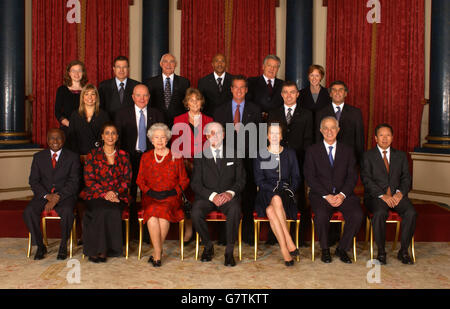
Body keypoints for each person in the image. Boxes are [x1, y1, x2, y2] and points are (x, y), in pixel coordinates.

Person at [304, 116, 363, 264]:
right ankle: (325, 250)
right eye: (326, 128)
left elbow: (352, 176)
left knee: (357, 215)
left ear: (338, 130)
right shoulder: (312, 151)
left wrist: (342, 195)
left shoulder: (348, 151)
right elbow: (310, 177)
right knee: (321, 215)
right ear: (321, 130)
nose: (329, 131)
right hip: (321, 195)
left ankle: (342, 248)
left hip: (344, 194)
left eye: (332, 128)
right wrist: (326, 195)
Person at [214, 75, 262, 246]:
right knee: (226, 194)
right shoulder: (220, 110)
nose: (239, 90)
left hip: (248, 159)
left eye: (243, 87)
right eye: (236, 87)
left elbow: (260, 137)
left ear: (247, 90)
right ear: (231, 89)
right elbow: (216, 138)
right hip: (226, 159)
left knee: (249, 197)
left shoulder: (255, 110)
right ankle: (225, 237)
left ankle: (248, 235)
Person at [191, 122, 246, 267]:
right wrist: (212, 196)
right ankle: (208, 246)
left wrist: (230, 193)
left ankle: (229, 252)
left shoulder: (235, 153)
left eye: (218, 133)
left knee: (235, 210)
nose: (214, 136)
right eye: (211, 133)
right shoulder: (200, 156)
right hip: (207, 197)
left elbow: (242, 180)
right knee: (195, 212)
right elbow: (195, 184)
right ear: (207, 136)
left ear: (224, 135)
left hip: (228, 197)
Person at [361, 123, 417, 265]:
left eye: (388, 135)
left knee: (411, 213)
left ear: (392, 138)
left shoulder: (401, 156)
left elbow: (406, 178)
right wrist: (383, 195)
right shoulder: (367, 156)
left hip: (397, 196)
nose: (384, 139)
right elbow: (366, 180)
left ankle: (403, 251)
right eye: (381, 135)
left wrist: (399, 194)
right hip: (376, 197)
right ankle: (381, 252)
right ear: (375, 138)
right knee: (380, 213)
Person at [136, 123, 190, 267]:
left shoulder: (176, 156)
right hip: (151, 196)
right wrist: (150, 192)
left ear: (167, 140)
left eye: (163, 137)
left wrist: (173, 192)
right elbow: (140, 180)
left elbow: (184, 180)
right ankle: (158, 252)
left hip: (171, 197)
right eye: (156, 137)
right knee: (153, 214)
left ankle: (156, 254)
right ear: (151, 140)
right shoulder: (146, 157)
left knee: (163, 211)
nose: (160, 140)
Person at [115, 84, 164, 237]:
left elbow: (162, 139)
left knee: (148, 195)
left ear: (149, 97)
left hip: (150, 160)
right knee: (127, 194)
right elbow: (118, 140)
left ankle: (149, 234)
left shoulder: (157, 114)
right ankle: (128, 233)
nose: (142, 99)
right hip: (128, 159)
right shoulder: (122, 114)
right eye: (138, 95)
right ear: (133, 97)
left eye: (145, 95)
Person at [267, 81, 313, 246]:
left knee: (297, 199)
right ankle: (275, 236)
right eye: (285, 92)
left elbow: (308, 141)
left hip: (298, 163)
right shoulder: (274, 113)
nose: (288, 95)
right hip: (275, 161)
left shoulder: (307, 114)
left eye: (292, 92)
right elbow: (270, 138)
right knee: (275, 196)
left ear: (297, 94)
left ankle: (298, 237)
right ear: (281, 94)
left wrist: (300, 162)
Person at [23, 128, 80, 260]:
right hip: (44, 196)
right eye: (52, 138)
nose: (55, 141)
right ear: (47, 140)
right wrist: (48, 196)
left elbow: (74, 182)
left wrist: (58, 197)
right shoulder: (38, 157)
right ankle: (40, 245)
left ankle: (62, 246)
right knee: (29, 212)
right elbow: (33, 181)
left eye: (58, 138)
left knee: (67, 211)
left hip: (64, 196)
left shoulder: (72, 157)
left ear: (63, 140)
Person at [80, 122, 132, 263]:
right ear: (102, 136)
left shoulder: (123, 155)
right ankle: (96, 250)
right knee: (100, 209)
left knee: (111, 210)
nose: (110, 136)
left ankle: (108, 250)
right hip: (95, 194)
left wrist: (114, 193)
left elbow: (127, 180)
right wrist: (105, 193)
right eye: (107, 133)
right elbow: (89, 180)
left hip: (118, 195)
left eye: (113, 133)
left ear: (117, 136)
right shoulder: (92, 155)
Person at [253, 123, 301, 266]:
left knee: (271, 209)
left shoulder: (290, 154)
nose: (274, 136)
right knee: (275, 198)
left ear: (281, 136)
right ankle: (288, 240)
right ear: (267, 136)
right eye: (271, 133)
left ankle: (284, 250)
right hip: (265, 193)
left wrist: (289, 190)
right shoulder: (260, 155)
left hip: (286, 193)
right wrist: (273, 191)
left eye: (277, 133)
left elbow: (296, 177)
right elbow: (259, 180)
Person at [171, 88, 213, 243]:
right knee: (186, 198)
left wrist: (200, 164)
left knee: (202, 197)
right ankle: (189, 230)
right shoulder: (178, 120)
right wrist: (185, 163)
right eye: (191, 100)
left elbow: (211, 145)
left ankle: (201, 231)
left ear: (202, 103)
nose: (195, 102)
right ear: (186, 103)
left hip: (203, 165)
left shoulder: (209, 120)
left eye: (197, 99)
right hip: (184, 165)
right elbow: (175, 145)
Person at [315, 80, 364, 165]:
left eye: (341, 90)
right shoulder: (320, 113)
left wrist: (359, 161)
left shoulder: (356, 113)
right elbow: (318, 138)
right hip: (326, 157)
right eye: (334, 90)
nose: (337, 92)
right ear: (330, 94)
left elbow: (359, 139)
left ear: (345, 93)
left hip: (348, 159)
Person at [145, 53, 190, 127]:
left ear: (175, 64)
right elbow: (148, 105)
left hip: (179, 124)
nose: (168, 65)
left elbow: (187, 105)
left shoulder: (184, 82)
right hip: (157, 124)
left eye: (172, 62)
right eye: (165, 61)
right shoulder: (150, 83)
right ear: (161, 64)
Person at [67, 84, 110, 160]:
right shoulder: (75, 115)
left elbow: (107, 138)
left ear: (96, 97)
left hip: (98, 157)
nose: (90, 97)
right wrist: (77, 157)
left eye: (93, 94)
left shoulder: (104, 115)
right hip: (79, 157)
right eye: (86, 94)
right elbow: (71, 140)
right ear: (82, 97)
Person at [98, 55, 140, 120]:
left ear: (128, 69)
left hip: (131, 125)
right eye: (118, 67)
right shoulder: (103, 86)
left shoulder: (137, 86)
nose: (121, 70)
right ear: (113, 69)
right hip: (110, 124)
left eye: (124, 67)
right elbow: (100, 109)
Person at [54, 60, 88, 137]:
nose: (76, 74)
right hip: (67, 129)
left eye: (79, 71)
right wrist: (71, 125)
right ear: (69, 73)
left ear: (83, 73)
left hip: (85, 128)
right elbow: (58, 112)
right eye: (73, 71)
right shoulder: (62, 90)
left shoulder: (88, 90)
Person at [247, 55, 284, 120]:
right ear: (263, 67)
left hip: (276, 121)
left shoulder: (283, 84)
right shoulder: (251, 82)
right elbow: (248, 102)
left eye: (275, 67)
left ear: (278, 69)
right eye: (269, 65)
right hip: (257, 121)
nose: (272, 69)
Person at [298, 64, 331, 133]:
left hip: (323, 130)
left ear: (321, 77)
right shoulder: (300, 93)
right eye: (311, 75)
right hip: (305, 130)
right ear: (308, 77)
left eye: (317, 76)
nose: (314, 78)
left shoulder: (328, 93)